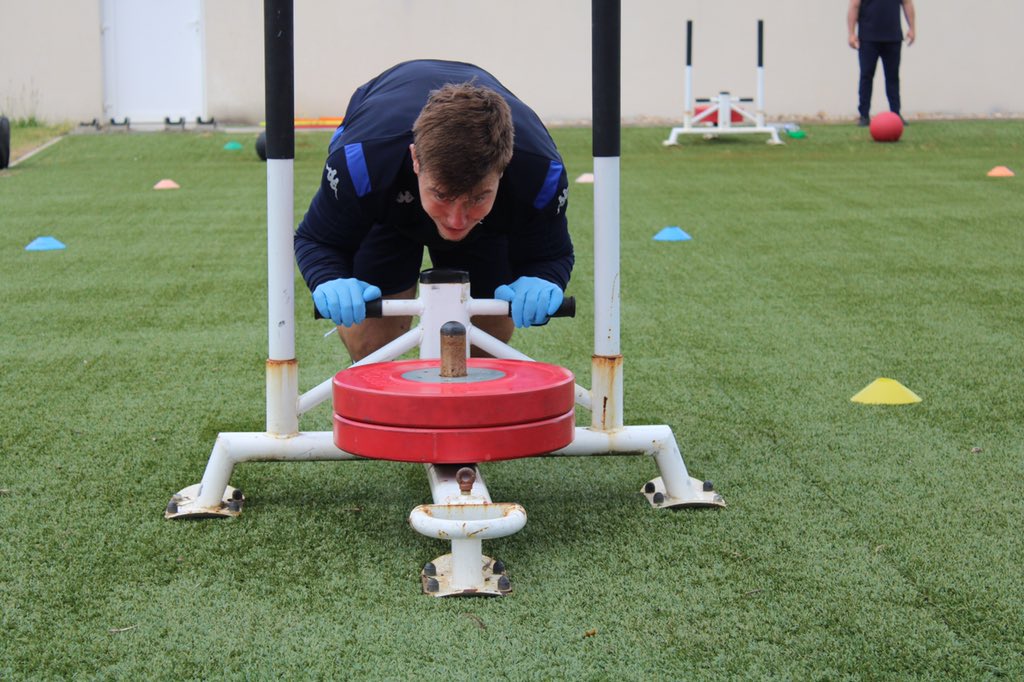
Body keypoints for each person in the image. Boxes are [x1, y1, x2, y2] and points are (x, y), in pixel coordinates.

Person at [294, 59, 574, 362]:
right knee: (371, 347)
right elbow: (317, 239)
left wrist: (544, 278)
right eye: (441, 195)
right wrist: (328, 277)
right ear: (416, 160)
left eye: (478, 197)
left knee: (481, 352)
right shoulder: (361, 162)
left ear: (504, 168)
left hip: (487, 228)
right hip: (388, 205)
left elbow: (550, 255)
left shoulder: (540, 173)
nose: (456, 220)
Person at [847, 0, 916, 126]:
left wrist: (912, 28)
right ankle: (864, 115)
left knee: (892, 77)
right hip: (868, 38)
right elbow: (854, 5)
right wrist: (851, 33)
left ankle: (895, 113)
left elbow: (907, 3)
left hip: (893, 37)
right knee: (866, 76)